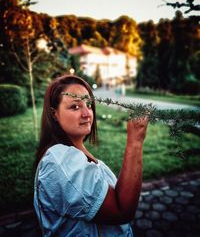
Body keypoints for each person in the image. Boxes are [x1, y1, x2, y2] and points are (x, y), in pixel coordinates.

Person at [34, 74, 148, 236]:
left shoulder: (72, 153)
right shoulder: (60, 162)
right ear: (54, 114)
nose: (87, 114)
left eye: (88, 105)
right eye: (75, 107)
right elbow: (122, 211)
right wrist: (135, 141)